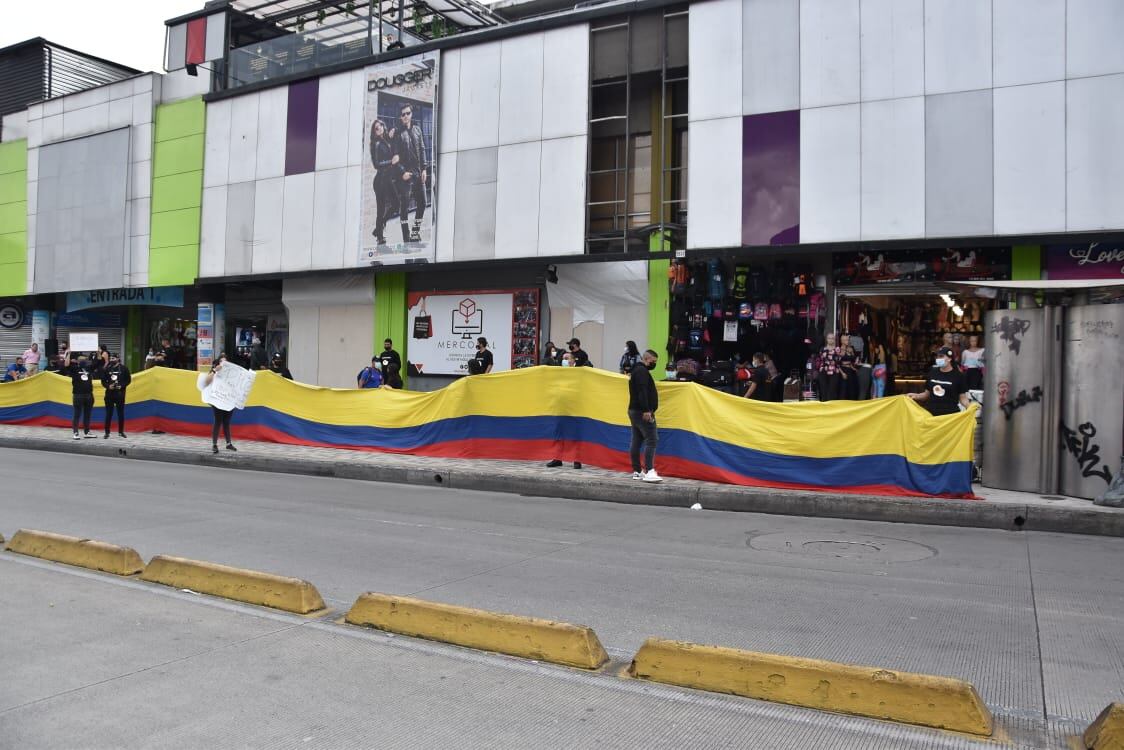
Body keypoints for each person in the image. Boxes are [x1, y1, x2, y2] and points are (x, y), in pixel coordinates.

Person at [392, 103, 429, 244]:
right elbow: (395, 157)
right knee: (404, 209)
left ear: (411, 114)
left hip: (418, 174)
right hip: (406, 176)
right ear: (400, 117)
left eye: (408, 113)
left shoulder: (418, 130)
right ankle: (406, 238)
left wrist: (424, 168)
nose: (406, 116)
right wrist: (402, 173)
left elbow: (423, 149)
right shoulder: (398, 134)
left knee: (423, 203)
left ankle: (415, 232)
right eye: (403, 114)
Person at [628, 349, 662, 482]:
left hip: (634, 410)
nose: (654, 364)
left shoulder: (636, 371)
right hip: (642, 411)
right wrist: (647, 410)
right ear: (647, 359)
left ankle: (637, 471)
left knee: (636, 440)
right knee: (652, 440)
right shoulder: (642, 371)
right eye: (653, 361)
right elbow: (642, 391)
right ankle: (649, 471)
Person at [908, 346, 971, 417]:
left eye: (941, 356)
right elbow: (926, 394)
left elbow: (963, 398)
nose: (938, 359)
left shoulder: (958, 376)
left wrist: (970, 408)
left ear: (949, 358)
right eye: (937, 357)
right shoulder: (932, 372)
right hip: (931, 415)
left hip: (950, 417)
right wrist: (915, 396)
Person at [369, 119, 400, 245]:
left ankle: (378, 228)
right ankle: (380, 238)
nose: (379, 128)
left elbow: (397, 129)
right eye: (376, 128)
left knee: (396, 204)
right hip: (380, 180)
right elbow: (376, 164)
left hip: (387, 178)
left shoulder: (386, 140)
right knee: (381, 209)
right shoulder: (375, 144)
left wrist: (393, 133)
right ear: (374, 132)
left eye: (380, 125)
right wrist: (390, 162)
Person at [200, 354, 237, 454]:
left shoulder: (231, 373)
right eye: (222, 362)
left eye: (225, 362)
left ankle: (228, 443)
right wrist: (215, 370)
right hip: (217, 400)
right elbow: (206, 382)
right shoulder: (214, 371)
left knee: (227, 421)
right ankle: (214, 444)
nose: (223, 364)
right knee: (218, 421)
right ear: (218, 363)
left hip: (228, 400)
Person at [63, 349, 101, 438]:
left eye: (84, 360)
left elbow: (99, 362)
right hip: (78, 395)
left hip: (89, 395)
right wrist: (68, 353)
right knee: (77, 414)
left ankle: (87, 432)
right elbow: (66, 365)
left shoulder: (89, 368)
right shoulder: (74, 369)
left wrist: (98, 352)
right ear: (77, 361)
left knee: (87, 414)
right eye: (81, 360)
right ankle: (75, 433)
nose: (83, 361)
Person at [100, 352, 131, 438]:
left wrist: (121, 386)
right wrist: (108, 386)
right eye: (110, 359)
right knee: (108, 413)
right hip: (109, 394)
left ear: (118, 359)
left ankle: (121, 432)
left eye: (113, 358)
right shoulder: (107, 368)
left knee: (120, 413)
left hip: (120, 394)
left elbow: (128, 380)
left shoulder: (124, 368)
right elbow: (103, 381)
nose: (111, 360)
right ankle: (107, 432)